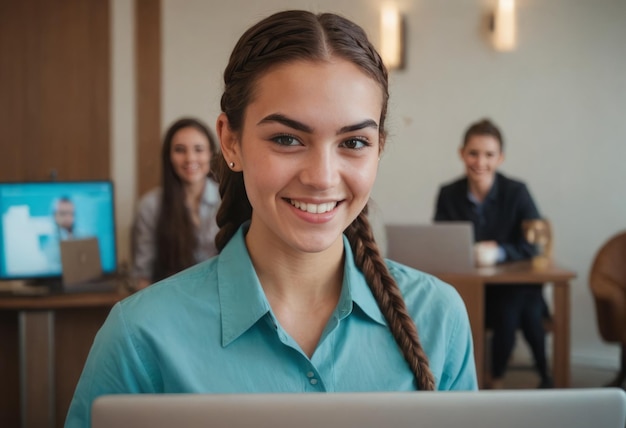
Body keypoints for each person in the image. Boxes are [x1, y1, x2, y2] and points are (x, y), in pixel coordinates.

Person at [65, 10, 477, 427]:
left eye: (353, 142)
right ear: (230, 141)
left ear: (379, 149)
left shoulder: (438, 317)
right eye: (286, 139)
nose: (321, 178)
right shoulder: (141, 334)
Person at [433, 118, 552, 389]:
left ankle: (493, 379)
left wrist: (498, 252)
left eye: (489, 154)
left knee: (516, 305)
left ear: (501, 158)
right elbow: (440, 243)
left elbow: (533, 244)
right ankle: (514, 376)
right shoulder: (448, 193)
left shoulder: (517, 192)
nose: (480, 161)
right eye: (473, 153)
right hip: (470, 288)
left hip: (513, 286)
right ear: (461, 154)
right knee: (520, 308)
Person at [131, 117, 220, 290]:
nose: (190, 158)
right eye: (180, 150)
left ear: (211, 154)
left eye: (198, 149)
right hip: (169, 301)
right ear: (169, 157)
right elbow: (143, 276)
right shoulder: (150, 206)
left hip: (220, 300)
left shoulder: (227, 200)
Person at [42, 196, 78, 270]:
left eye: (71, 213)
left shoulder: (83, 237)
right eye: (63, 213)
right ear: (55, 215)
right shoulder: (46, 241)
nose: (68, 217)